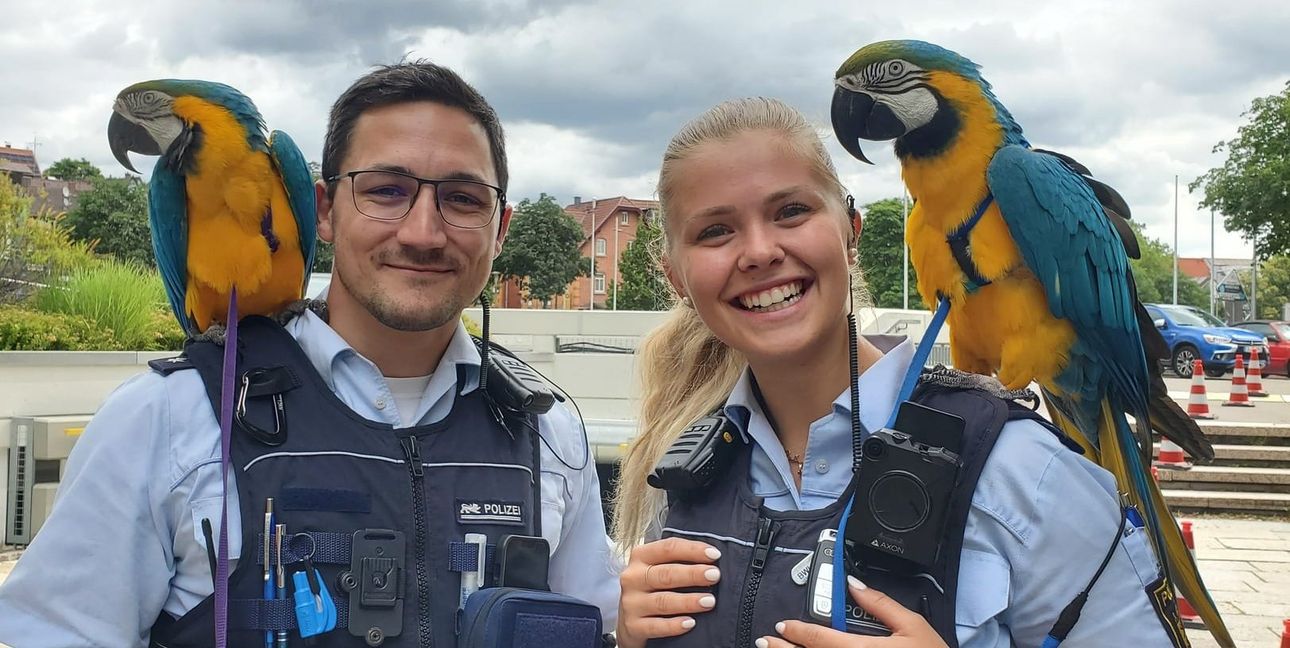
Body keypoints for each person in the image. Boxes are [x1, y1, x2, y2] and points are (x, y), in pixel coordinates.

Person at [0, 62, 619, 647]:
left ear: (500, 227)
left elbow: (598, 622)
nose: (423, 232)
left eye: (462, 199)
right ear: (322, 209)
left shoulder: (549, 434)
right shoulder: (164, 420)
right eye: (385, 190)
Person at [611, 97, 1181, 648]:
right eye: (715, 231)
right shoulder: (684, 473)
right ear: (677, 276)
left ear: (851, 231)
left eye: (791, 212)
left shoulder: (1020, 470)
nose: (759, 252)